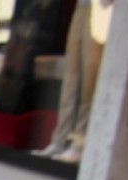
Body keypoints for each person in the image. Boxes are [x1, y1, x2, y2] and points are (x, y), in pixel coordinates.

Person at [34, 0, 114, 163]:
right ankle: (59, 139)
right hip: (82, 6)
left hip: (101, 8)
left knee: (89, 79)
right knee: (72, 75)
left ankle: (78, 144)